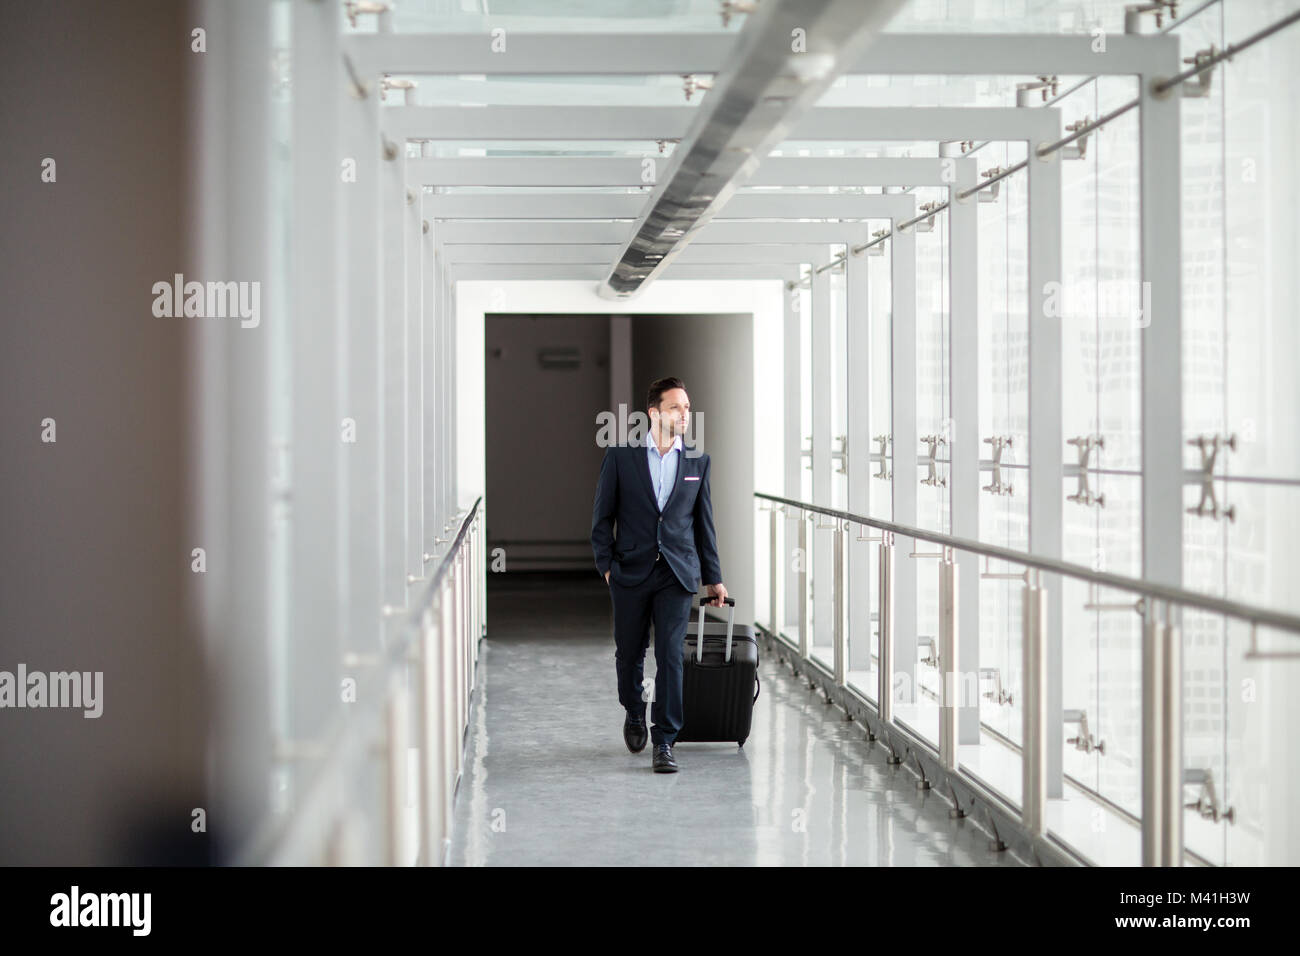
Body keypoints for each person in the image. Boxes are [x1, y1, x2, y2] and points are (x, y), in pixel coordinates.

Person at [591, 376, 727, 773]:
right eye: (675, 407)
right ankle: (634, 709)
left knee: (671, 656)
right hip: (629, 572)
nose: (684, 414)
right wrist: (606, 568)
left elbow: (704, 525)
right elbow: (602, 518)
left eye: (687, 407)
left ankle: (665, 740)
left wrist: (712, 576)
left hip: (676, 574)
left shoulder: (698, 462)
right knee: (629, 653)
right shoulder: (621, 458)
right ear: (653, 412)